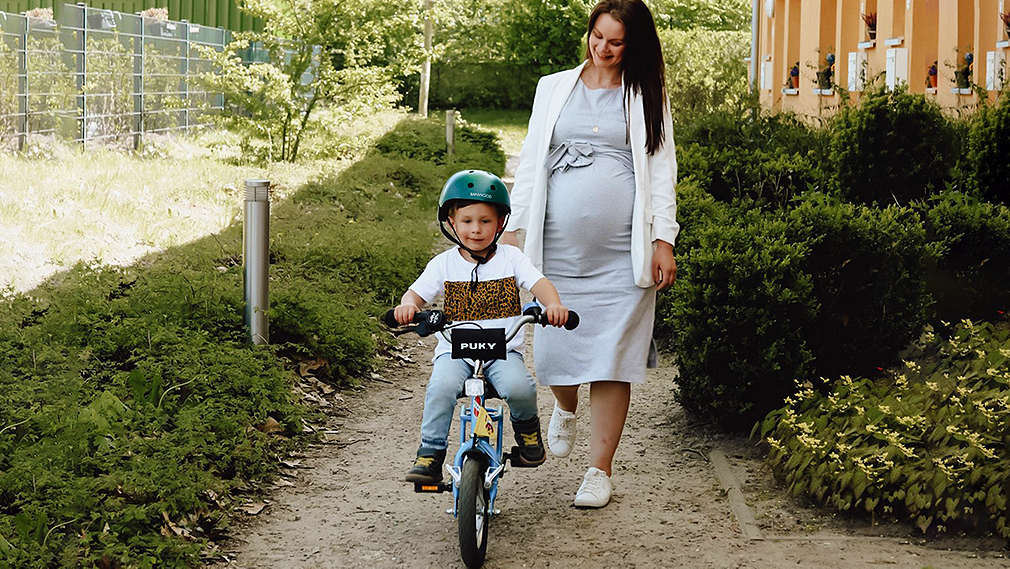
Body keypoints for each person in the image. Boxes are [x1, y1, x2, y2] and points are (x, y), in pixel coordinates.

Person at [501, 0, 678, 508]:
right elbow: (532, 162)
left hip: (623, 255)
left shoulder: (647, 94)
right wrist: (513, 230)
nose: (603, 48)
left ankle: (599, 470)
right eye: (597, 37)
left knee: (612, 359)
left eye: (615, 41)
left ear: (634, 45)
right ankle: (565, 406)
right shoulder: (553, 87)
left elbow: (662, 170)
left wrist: (663, 240)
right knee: (554, 355)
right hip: (557, 250)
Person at [395, 169, 571, 484]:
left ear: (500, 222)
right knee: (440, 388)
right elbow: (416, 294)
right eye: (467, 221)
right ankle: (431, 453)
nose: (476, 230)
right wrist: (408, 307)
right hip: (455, 350)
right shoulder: (443, 265)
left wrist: (553, 305)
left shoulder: (512, 258)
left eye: (485, 221)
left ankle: (528, 433)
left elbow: (538, 283)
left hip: (502, 351)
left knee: (520, 388)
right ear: (451, 221)